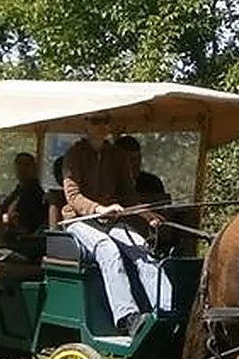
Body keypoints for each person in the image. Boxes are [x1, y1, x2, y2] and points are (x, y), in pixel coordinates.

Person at [62, 113, 172, 337]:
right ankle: (127, 317)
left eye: (105, 121)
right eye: (96, 121)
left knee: (143, 250)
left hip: (110, 220)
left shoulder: (117, 155)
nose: (102, 125)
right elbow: (72, 196)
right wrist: (99, 209)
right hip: (78, 220)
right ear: (86, 125)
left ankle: (166, 311)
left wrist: (148, 215)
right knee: (107, 249)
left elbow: (128, 195)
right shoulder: (74, 154)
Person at [0, 152, 47, 259]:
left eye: (26, 165)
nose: (22, 169)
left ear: (34, 169)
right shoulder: (18, 190)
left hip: (22, 243)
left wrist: (7, 219)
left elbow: (29, 224)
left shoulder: (36, 194)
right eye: (19, 165)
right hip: (9, 236)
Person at [113, 134, 168, 201]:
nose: (134, 164)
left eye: (137, 159)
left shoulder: (152, 183)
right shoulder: (109, 184)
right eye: (129, 160)